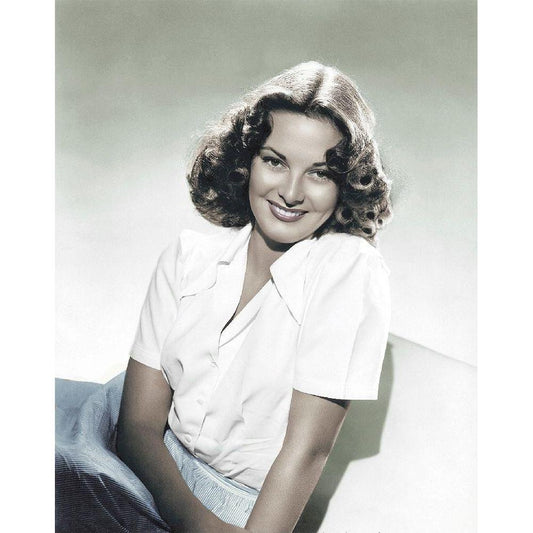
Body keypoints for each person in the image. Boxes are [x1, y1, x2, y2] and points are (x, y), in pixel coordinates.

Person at [55, 61, 392, 532]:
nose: (290, 192)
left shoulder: (348, 268)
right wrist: (197, 525)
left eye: (319, 173)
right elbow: (137, 429)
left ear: (345, 184)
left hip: (240, 509)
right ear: (245, 161)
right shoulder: (187, 258)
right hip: (127, 461)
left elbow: (308, 450)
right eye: (274, 161)